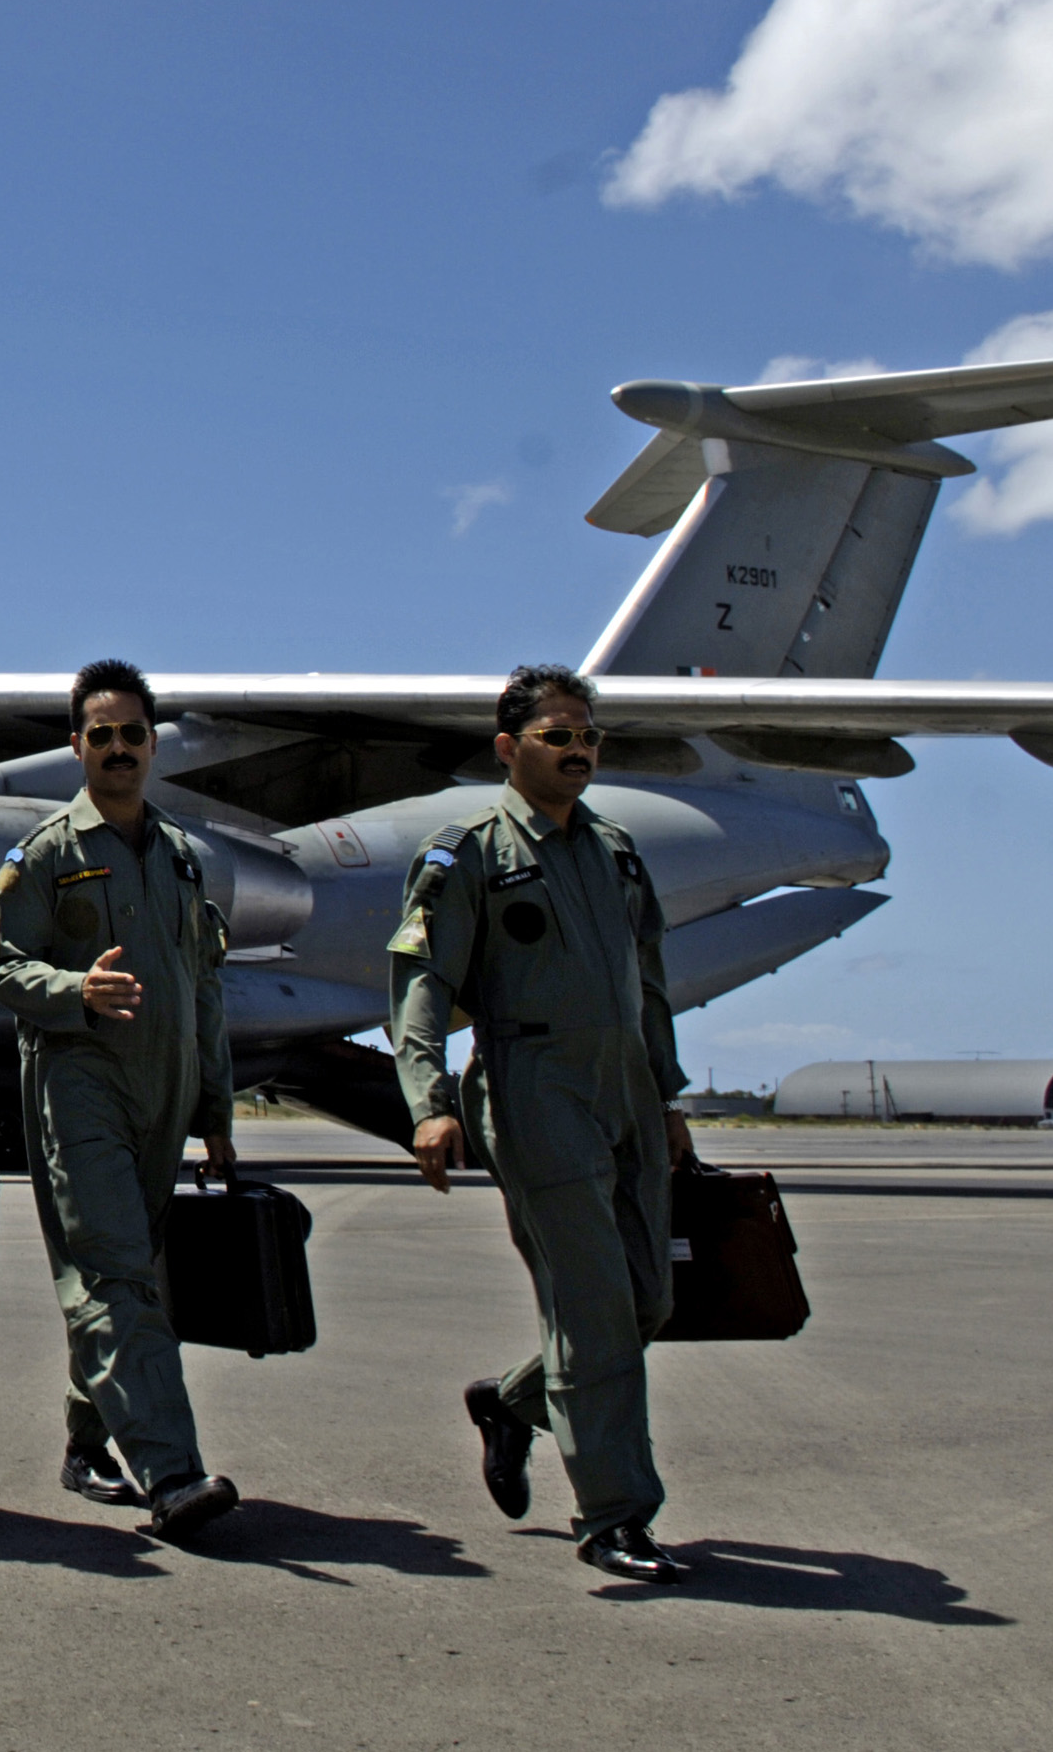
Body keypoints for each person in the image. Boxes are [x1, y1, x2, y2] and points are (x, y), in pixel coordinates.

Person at [387, 663, 697, 1585]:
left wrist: (669, 1099)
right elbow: (422, 982)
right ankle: (614, 1515)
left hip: (628, 1087)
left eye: (589, 736)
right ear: (509, 747)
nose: (578, 750)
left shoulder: (616, 849)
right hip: (534, 1085)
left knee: (648, 1299)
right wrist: (429, 1104)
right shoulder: (467, 850)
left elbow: (649, 984)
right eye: (558, 734)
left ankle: (514, 1403)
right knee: (593, 1304)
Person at [0, 660, 243, 1543]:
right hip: (80, 1080)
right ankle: (170, 1471)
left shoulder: (179, 857)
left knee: (130, 1273)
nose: (119, 748)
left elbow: (204, 990)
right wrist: (72, 989)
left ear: (153, 744)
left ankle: (87, 1440)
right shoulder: (47, 853)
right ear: (76, 746)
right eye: (102, 735)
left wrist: (216, 1111)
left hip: (165, 1093)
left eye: (133, 734)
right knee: (117, 1269)